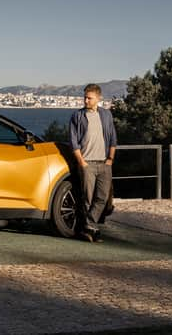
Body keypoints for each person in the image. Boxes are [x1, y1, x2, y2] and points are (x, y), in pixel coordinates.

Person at [69, 84, 117, 243]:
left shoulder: (106, 115)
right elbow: (73, 142)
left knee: (102, 197)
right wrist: (81, 162)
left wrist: (110, 159)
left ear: (98, 98)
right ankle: (90, 229)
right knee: (87, 198)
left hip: (104, 164)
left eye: (89, 98)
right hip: (87, 163)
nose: (86, 100)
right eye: (85, 97)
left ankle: (88, 226)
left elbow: (112, 139)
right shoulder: (77, 116)